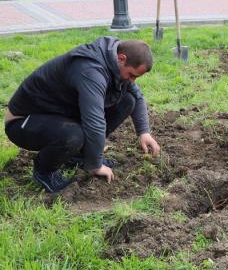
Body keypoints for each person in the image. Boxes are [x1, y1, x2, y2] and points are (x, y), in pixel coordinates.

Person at [4, 38, 161, 192]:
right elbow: (95, 122)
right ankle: (44, 170)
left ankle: (78, 157)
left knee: (128, 100)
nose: (132, 81)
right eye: (132, 75)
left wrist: (144, 132)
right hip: (23, 120)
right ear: (121, 58)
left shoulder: (114, 57)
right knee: (73, 136)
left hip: (58, 112)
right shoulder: (91, 70)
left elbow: (138, 96)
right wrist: (96, 165)